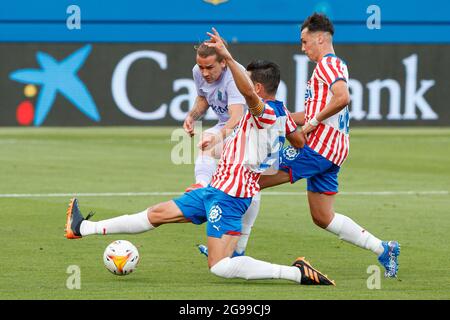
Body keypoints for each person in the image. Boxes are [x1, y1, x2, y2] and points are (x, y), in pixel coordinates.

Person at [65, 28, 335, 286]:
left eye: (247, 82)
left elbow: (249, 95)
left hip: (230, 196)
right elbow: (299, 141)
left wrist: (228, 58)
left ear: (259, 88)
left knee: (220, 266)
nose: (240, 85)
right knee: (156, 214)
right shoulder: (284, 117)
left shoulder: (264, 112)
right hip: (215, 188)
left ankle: (295, 273)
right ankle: (83, 228)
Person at [198, 13, 401, 279]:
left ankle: (236, 251)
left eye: (305, 42)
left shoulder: (329, 64)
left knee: (248, 178)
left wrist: (310, 123)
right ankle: (383, 248)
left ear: (320, 38)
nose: (302, 47)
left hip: (317, 148)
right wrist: (287, 120)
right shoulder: (331, 67)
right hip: (332, 151)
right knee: (322, 216)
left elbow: (342, 99)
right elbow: (313, 112)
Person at [183, 40, 245, 192]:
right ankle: (201, 186)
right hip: (227, 126)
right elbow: (203, 98)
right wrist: (192, 116)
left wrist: (216, 138)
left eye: (209, 67)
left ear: (223, 62)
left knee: (243, 183)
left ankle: (204, 187)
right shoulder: (197, 71)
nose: (204, 73)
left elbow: (237, 118)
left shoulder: (234, 76)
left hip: (252, 129)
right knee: (207, 141)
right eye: (201, 67)